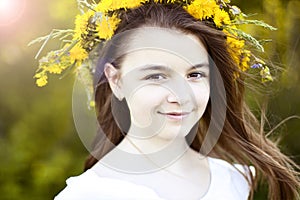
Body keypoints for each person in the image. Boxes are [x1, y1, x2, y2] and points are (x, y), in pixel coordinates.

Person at [32, 1, 299, 199]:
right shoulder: (88, 195)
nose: (180, 95)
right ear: (117, 81)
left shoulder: (231, 180)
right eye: (156, 76)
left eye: (194, 74)